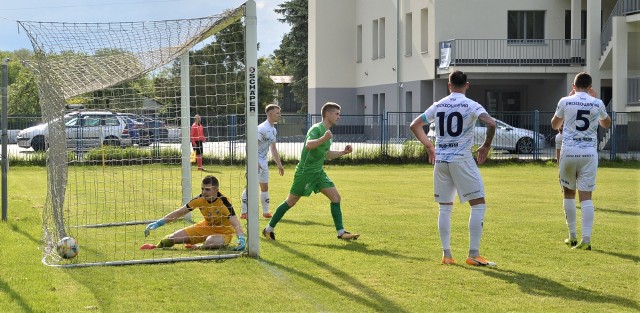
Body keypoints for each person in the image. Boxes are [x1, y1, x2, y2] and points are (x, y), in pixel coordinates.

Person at [409, 70, 497, 266]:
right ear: (467, 85)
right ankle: (473, 254)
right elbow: (491, 123)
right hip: (462, 160)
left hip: (441, 161)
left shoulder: (439, 105)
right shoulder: (471, 104)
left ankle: (447, 255)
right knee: (478, 204)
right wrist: (486, 146)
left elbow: (415, 125)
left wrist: (429, 146)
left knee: (445, 208)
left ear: (449, 85)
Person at [262, 102, 360, 241]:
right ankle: (268, 229)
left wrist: (343, 152)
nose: (339, 117)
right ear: (327, 114)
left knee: (336, 198)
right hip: (305, 173)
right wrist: (323, 138)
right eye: (337, 114)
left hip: (318, 172)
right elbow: (309, 144)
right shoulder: (317, 129)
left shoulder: (327, 133)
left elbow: (326, 154)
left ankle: (341, 232)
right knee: (291, 201)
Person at [551, 72, 611, 251]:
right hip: (588, 153)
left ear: (573, 86)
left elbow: (555, 125)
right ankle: (586, 239)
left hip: (569, 151)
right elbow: (606, 124)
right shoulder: (597, 102)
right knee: (586, 197)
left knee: (568, 193)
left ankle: (572, 237)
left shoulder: (565, 101)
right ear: (590, 87)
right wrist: (599, 108)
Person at [141, 175, 246, 251]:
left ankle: (199, 247)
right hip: (205, 227)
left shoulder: (224, 203)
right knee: (172, 238)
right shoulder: (199, 199)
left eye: (207, 189)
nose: (204, 192)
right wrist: (159, 223)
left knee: (210, 242)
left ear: (216, 190)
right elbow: (179, 212)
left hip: (224, 233)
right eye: (202, 189)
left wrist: (241, 238)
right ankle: (156, 247)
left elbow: (236, 223)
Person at [240, 104, 285, 219]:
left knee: (264, 187)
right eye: (277, 113)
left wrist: (279, 165)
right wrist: (255, 161)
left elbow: (273, 148)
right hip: (254, 161)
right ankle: (244, 212)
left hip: (263, 162)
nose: (280, 115)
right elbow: (251, 145)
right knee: (250, 186)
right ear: (270, 114)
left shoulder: (273, 130)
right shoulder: (261, 128)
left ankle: (266, 212)